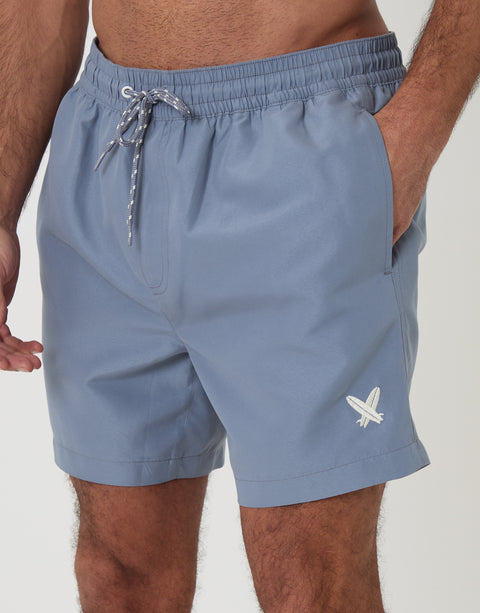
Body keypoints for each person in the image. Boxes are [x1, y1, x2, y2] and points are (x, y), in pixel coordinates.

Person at [1, 0, 478, 610]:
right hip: (111, 145)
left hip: (303, 144)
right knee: (117, 575)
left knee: (310, 581)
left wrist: (415, 135)